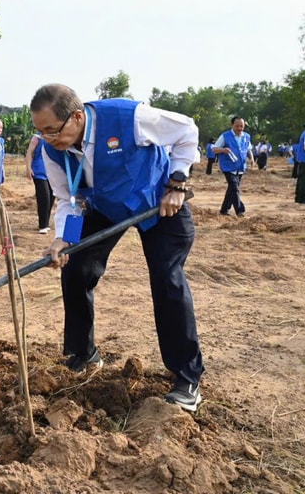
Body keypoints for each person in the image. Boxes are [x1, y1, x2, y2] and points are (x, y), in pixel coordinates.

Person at [29, 84, 204, 412]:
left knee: (167, 278)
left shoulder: (129, 117)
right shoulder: (51, 150)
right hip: (104, 208)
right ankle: (84, 353)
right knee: (76, 268)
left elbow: (186, 130)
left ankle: (186, 376)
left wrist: (177, 183)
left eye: (52, 130)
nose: (48, 138)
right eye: (40, 132)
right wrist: (63, 239)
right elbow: (70, 200)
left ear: (77, 117)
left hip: (157, 202)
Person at [212, 116, 253, 217]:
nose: (239, 128)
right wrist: (223, 150)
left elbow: (249, 149)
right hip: (228, 167)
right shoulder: (225, 136)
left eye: (242, 126)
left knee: (232, 189)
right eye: (237, 126)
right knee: (234, 188)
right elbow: (214, 149)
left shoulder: (246, 136)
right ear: (232, 125)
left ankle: (224, 210)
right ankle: (240, 210)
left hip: (240, 167)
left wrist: (251, 159)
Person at [25, 132, 54, 234]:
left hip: (53, 173)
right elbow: (30, 152)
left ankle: (46, 222)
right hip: (39, 171)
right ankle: (43, 225)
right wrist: (28, 168)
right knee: (44, 197)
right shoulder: (37, 137)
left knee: (51, 197)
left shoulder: (58, 135)